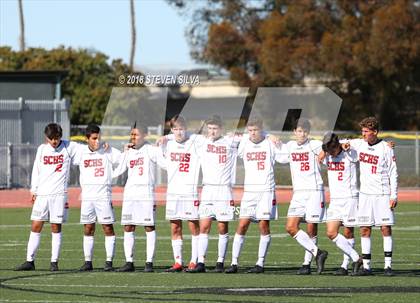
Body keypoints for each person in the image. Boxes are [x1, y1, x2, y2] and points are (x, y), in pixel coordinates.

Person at [15, 123, 79, 271]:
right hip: (42, 195)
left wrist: (102, 145)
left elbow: (87, 148)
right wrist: (34, 190)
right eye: (51, 138)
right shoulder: (42, 149)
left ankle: (54, 262)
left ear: (60, 136)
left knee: (56, 227)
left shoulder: (69, 147)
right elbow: (36, 170)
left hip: (59, 195)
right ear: (46, 137)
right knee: (36, 226)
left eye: (56, 138)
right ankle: (29, 261)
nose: (54, 141)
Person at [225, 118, 283, 274]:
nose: (253, 133)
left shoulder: (270, 142)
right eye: (250, 130)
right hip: (249, 192)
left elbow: (283, 155)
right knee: (242, 225)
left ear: (261, 129)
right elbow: (227, 137)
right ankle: (234, 263)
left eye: (256, 130)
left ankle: (260, 263)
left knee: (263, 225)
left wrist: (269, 135)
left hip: (266, 191)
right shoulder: (244, 142)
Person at [186, 115, 238, 273]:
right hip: (207, 189)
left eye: (215, 128)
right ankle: (201, 262)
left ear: (221, 128)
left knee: (222, 227)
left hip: (224, 190)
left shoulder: (230, 141)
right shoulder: (202, 141)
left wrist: (269, 135)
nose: (212, 131)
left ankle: (220, 262)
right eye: (210, 128)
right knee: (204, 226)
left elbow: (253, 135)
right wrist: (164, 138)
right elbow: (181, 132)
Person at [349, 117, 398, 276]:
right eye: (362, 131)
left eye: (366, 131)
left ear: (375, 132)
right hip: (365, 195)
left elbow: (393, 173)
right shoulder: (359, 144)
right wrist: (344, 144)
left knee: (385, 228)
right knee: (364, 229)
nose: (363, 134)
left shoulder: (386, 148)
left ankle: (388, 266)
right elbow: (342, 142)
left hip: (382, 194)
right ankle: (366, 267)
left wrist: (394, 195)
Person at [113, 124, 165, 272]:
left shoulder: (151, 150)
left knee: (149, 227)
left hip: (145, 194)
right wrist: (123, 153)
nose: (133, 137)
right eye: (132, 135)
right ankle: (129, 262)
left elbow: (166, 164)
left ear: (145, 135)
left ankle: (149, 262)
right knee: (128, 226)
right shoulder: (128, 151)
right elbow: (119, 170)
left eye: (136, 135)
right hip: (130, 194)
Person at [281, 118, 328, 275]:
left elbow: (334, 143)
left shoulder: (315, 145)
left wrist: (326, 150)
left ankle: (306, 264)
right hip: (298, 193)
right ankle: (318, 253)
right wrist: (270, 137)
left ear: (308, 133)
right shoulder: (289, 146)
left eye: (305, 131)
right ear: (294, 132)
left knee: (311, 228)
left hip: (314, 190)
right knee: (290, 227)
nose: (302, 134)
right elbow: (277, 155)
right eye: (299, 131)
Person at [76, 124, 121, 272]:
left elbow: (124, 160)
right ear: (87, 138)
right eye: (94, 138)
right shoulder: (80, 152)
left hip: (103, 196)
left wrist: (112, 176)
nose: (97, 141)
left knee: (107, 228)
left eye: (99, 138)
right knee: (88, 228)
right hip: (87, 197)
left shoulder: (108, 150)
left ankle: (109, 262)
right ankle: (87, 262)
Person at [160, 116, 201, 272]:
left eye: (181, 129)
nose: (178, 132)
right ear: (171, 130)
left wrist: (167, 135)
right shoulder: (167, 144)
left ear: (186, 129)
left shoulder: (194, 141)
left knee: (193, 227)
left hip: (190, 192)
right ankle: (178, 262)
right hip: (173, 192)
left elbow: (200, 136)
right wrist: (166, 137)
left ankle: (193, 261)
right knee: (175, 227)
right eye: (175, 129)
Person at [321, 132, 363, 276]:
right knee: (331, 232)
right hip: (335, 200)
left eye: (331, 150)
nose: (329, 153)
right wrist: (323, 152)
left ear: (337, 146)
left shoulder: (350, 153)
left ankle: (345, 266)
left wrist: (346, 143)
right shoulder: (328, 155)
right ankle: (357, 258)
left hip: (350, 198)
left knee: (348, 232)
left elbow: (362, 142)